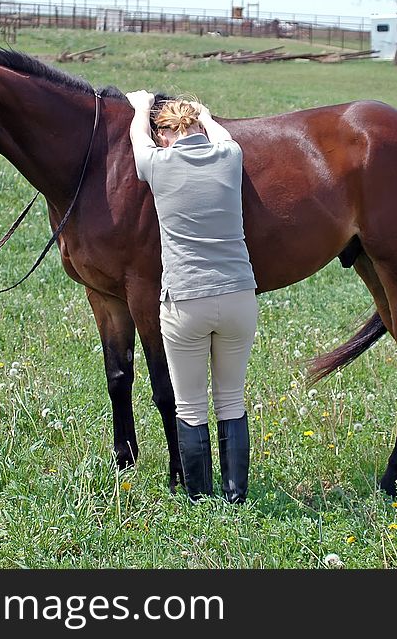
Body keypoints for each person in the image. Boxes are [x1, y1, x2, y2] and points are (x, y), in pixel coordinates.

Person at [125, 90, 258, 503]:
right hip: (239, 297)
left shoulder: (158, 165)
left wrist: (141, 106)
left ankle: (201, 501)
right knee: (232, 401)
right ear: (199, 126)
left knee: (190, 407)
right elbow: (223, 135)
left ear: (164, 135)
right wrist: (203, 112)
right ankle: (236, 497)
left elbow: (136, 138)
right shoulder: (229, 157)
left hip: (186, 301)